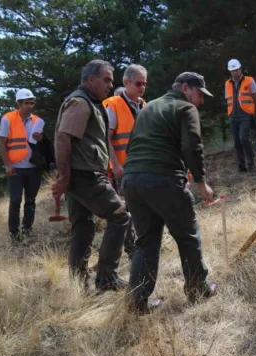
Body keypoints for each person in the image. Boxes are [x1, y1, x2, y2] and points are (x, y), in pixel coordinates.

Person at [122, 72, 217, 314]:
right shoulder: (185, 108)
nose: (201, 101)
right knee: (187, 235)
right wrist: (201, 182)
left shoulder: (148, 107)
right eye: (199, 94)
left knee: (145, 242)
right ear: (185, 88)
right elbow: (191, 145)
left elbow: (133, 143)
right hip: (162, 179)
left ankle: (137, 301)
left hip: (133, 181)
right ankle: (198, 289)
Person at [51, 60, 129, 292]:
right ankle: (106, 278)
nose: (110, 84)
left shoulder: (91, 102)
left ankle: (78, 284)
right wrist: (63, 177)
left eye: (111, 80)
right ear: (90, 79)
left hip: (81, 175)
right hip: (85, 176)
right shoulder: (81, 102)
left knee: (83, 227)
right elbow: (63, 138)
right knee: (121, 217)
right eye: (106, 79)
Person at [103, 64, 146, 261]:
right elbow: (106, 137)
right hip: (123, 170)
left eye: (145, 84)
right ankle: (130, 250)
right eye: (138, 83)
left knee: (141, 209)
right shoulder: (112, 105)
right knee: (125, 211)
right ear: (126, 82)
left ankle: (139, 245)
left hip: (142, 168)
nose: (142, 87)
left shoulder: (144, 106)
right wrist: (115, 165)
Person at [0, 88, 45, 242]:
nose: (30, 105)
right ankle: (14, 233)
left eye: (32, 103)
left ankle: (27, 229)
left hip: (33, 169)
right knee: (16, 200)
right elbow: (2, 143)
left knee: (30, 200)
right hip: (16, 168)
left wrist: (40, 139)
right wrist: (7, 165)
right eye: (26, 103)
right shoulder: (8, 119)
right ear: (18, 103)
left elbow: (42, 144)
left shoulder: (38, 121)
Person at [225, 58, 256, 172]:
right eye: (232, 71)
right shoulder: (227, 84)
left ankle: (250, 163)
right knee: (236, 141)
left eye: (236, 70)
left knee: (244, 138)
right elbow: (229, 99)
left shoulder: (249, 80)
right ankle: (241, 165)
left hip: (246, 114)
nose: (234, 73)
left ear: (240, 69)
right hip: (233, 115)